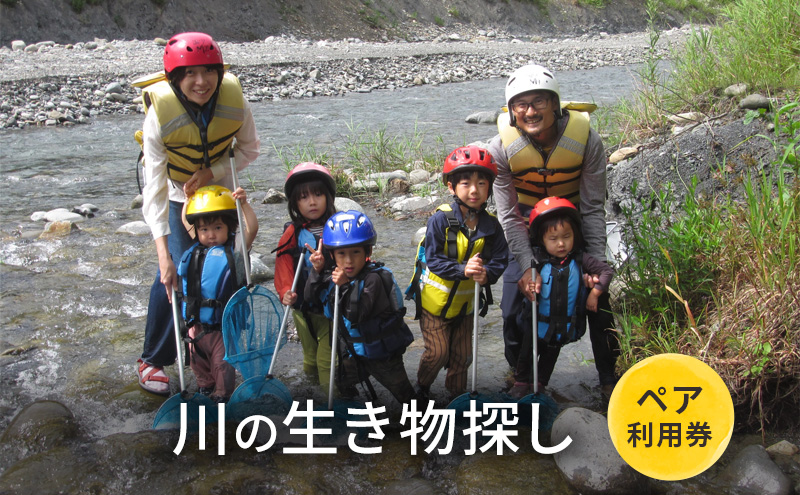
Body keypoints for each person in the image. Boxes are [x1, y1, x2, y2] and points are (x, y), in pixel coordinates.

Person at [137, 32, 260, 395]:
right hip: (177, 196)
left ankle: (224, 341)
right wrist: (163, 254)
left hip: (217, 193)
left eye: (208, 72)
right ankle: (152, 359)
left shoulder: (235, 100)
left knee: (226, 267)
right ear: (174, 79)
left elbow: (249, 150)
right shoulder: (159, 116)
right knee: (175, 270)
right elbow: (154, 191)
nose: (201, 82)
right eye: (190, 74)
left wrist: (212, 172)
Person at [486, 63, 619, 398]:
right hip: (527, 224)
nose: (530, 111)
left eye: (539, 102)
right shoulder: (500, 149)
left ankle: (609, 378)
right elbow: (509, 215)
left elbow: (591, 207)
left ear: (555, 103)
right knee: (515, 305)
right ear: (512, 112)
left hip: (571, 222)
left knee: (598, 304)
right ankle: (522, 376)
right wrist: (529, 265)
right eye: (521, 105)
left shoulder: (587, 139)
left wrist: (593, 264)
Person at [407, 145, 509, 402]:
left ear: (489, 188)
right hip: (435, 306)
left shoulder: (490, 226)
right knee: (438, 352)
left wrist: (488, 273)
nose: (474, 190)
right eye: (465, 183)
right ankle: (422, 387)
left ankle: (457, 398)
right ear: (451, 187)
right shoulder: (440, 221)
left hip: (466, 306)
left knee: (463, 356)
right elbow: (434, 260)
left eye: (481, 183)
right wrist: (462, 269)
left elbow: (501, 257)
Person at [305, 210, 417, 404]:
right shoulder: (334, 275)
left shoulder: (374, 279)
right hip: (353, 351)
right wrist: (317, 271)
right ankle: (359, 416)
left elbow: (357, 314)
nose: (348, 261)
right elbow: (309, 298)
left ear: (368, 252)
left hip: (383, 355)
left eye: (356, 252)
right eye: (341, 254)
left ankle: (425, 422)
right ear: (332, 254)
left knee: (405, 396)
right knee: (341, 385)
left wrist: (344, 286)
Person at [509, 197, 614, 398]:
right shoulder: (536, 260)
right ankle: (521, 383)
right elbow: (522, 283)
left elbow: (606, 272)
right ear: (541, 239)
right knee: (526, 353)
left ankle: (539, 386)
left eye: (566, 236)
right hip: (538, 322)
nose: (560, 244)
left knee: (550, 356)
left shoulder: (581, 259)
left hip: (562, 324)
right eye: (553, 239)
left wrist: (595, 293)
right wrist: (528, 287)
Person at [177, 185, 258, 402]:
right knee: (197, 362)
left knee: (222, 365)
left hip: (222, 329)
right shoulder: (195, 249)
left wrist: (244, 205)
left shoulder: (236, 251)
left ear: (230, 227)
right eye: (204, 230)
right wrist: (187, 200)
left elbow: (251, 229)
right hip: (195, 325)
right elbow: (187, 221)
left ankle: (222, 396)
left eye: (217, 228)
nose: (210, 235)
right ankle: (205, 389)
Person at [273, 162, 337, 389]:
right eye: (304, 197)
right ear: (295, 203)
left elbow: (357, 259)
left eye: (318, 194)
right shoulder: (293, 232)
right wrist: (284, 291)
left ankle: (334, 401)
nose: (312, 201)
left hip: (331, 306)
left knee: (326, 359)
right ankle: (312, 394)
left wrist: (326, 266)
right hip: (302, 306)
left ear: (328, 197)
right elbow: (283, 265)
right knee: (309, 356)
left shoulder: (339, 225)